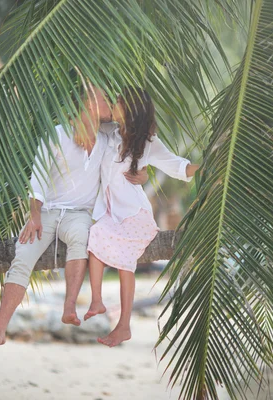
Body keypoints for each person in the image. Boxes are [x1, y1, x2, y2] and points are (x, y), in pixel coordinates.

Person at [0, 86, 148, 348]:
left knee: (82, 239)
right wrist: (34, 215)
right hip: (46, 211)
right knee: (23, 256)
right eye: (106, 99)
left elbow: (141, 134)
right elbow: (37, 177)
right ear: (90, 103)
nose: (111, 104)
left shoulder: (108, 138)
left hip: (79, 215)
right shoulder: (57, 135)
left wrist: (145, 174)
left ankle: (69, 306)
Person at [84, 87, 199, 347]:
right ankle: (100, 303)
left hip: (135, 214)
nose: (114, 104)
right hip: (111, 213)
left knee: (123, 259)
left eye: (119, 102)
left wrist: (207, 166)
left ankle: (121, 323)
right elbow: (85, 122)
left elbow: (177, 166)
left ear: (132, 110)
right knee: (97, 235)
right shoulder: (108, 133)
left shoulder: (148, 143)